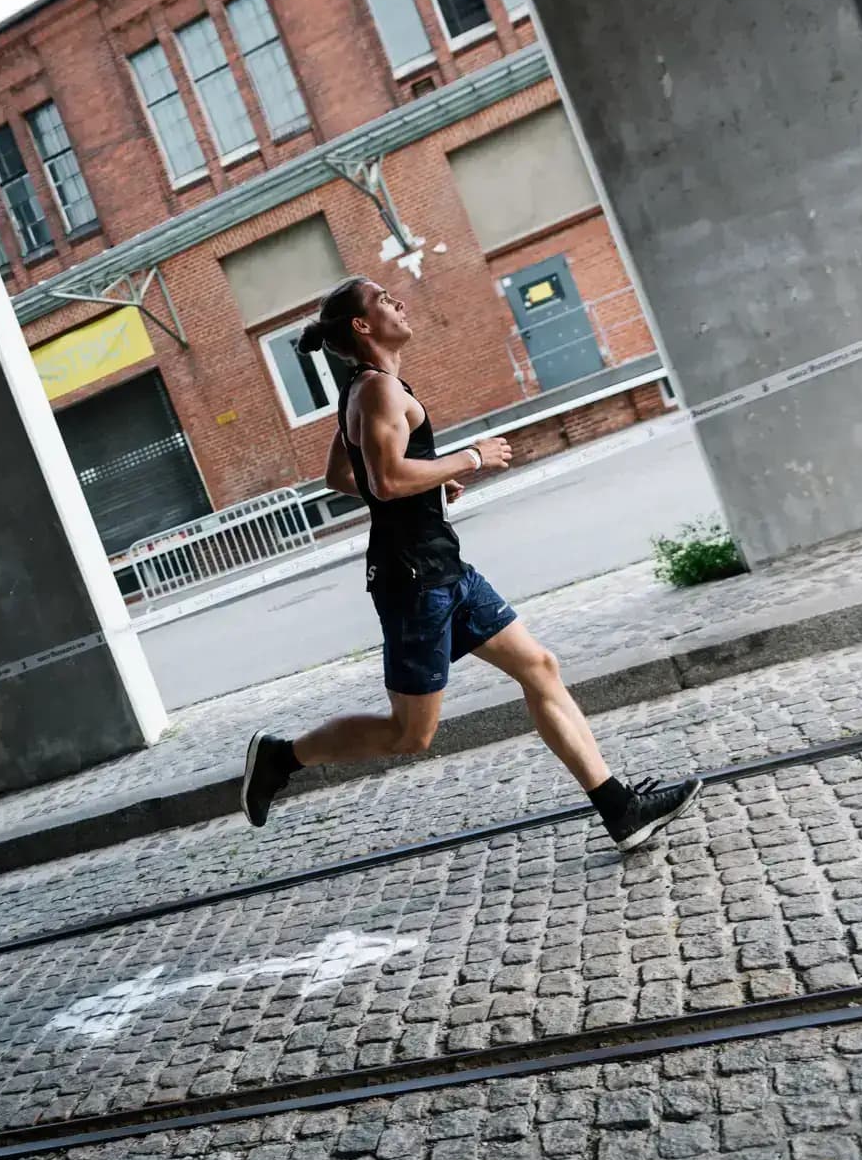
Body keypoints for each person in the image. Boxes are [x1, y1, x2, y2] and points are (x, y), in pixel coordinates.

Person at [240, 277, 702, 852]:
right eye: (384, 300)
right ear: (362, 325)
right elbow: (383, 480)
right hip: (413, 580)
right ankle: (282, 757)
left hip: (444, 568)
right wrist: (470, 457)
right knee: (411, 735)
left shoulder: (369, 387)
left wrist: (432, 479)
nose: (399, 303)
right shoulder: (377, 391)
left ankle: (620, 809)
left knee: (539, 666)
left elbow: (345, 475)